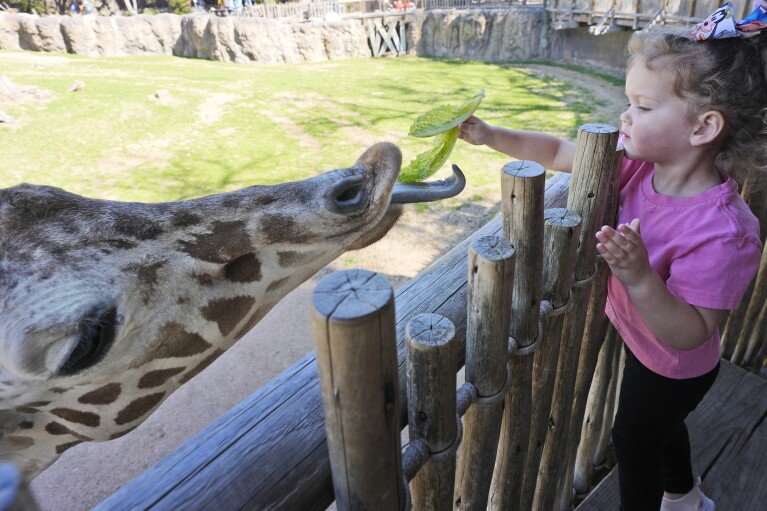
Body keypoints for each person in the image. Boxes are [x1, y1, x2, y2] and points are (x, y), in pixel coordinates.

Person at [458, 18, 766, 511]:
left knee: (634, 441)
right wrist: (491, 135)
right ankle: (686, 498)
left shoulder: (725, 233)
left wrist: (640, 276)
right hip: (640, 342)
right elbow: (559, 151)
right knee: (661, 428)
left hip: (676, 365)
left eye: (642, 107)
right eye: (629, 102)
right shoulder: (637, 162)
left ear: (704, 127)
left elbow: (692, 331)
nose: (625, 116)